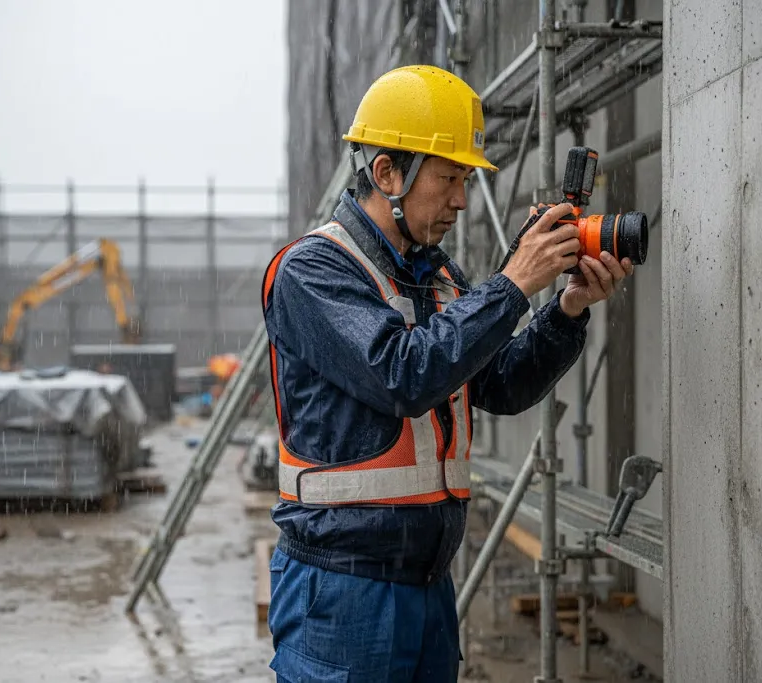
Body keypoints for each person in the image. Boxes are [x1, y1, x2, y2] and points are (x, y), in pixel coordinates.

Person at [261, 64, 635, 682]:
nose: (462, 199)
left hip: (428, 588)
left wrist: (566, 311)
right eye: (450, 178)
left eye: (466, 179)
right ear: (387, 173)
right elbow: (403, 376)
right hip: (341, 594)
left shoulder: (437, 277)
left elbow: (502, 383)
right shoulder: (312, 273)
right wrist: (513, 285)